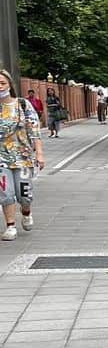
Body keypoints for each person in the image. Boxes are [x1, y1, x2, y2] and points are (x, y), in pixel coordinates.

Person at [0, 69, 44, 240]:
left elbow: (35, 130)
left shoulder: (22, 104)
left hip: (23, 158)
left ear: (10, 85)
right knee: (5, 192)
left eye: (2, 83)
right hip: (1, 159)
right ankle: (10, 225)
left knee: (24, 194)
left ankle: (26, 212)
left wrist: (39, 153)